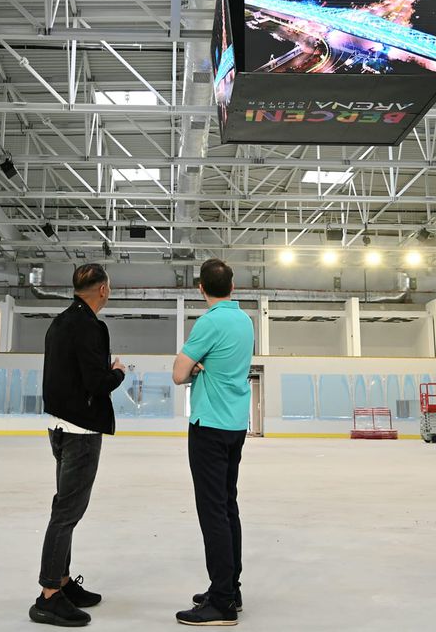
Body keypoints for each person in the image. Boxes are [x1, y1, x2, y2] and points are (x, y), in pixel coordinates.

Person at [30, 263, 127, 628]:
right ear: (103, 289)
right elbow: (97, 382)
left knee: (65, 508)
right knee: (67, 513)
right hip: (80, 432)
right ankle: (49, 595)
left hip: (59, 426)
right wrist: (118, 371)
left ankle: (64, 582)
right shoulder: (91, 327)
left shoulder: (60, 322)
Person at [172, 258, 253, 627]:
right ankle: (229, 588)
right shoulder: (244, 321)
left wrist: (196, 365)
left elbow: (177, 374)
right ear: (233, 287)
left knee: (212, 512)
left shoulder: (209, 322)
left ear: (200, 288)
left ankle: (221, 603)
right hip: (235, 426)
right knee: (228, 507)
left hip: (208, 426)